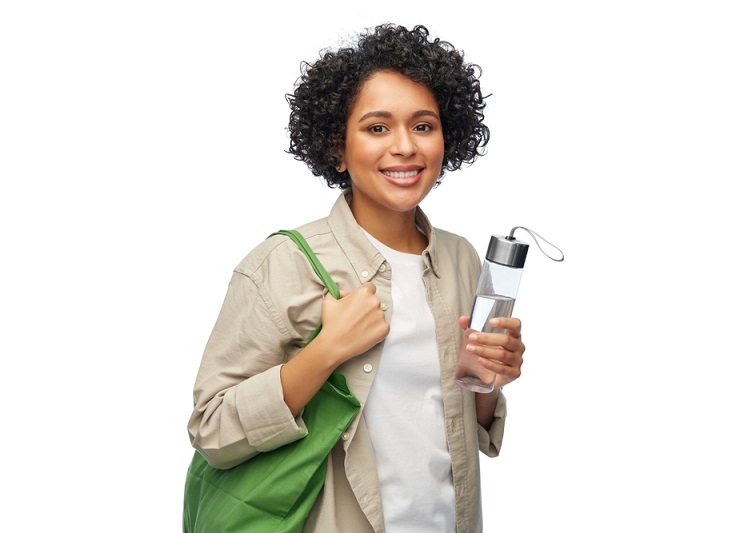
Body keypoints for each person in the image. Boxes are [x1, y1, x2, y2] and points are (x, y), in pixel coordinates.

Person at [187, 23, 525, 533]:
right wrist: (326, 351)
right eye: (377, 128)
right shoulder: (282, 264)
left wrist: (486, 377)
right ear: (337, 148)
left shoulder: (461, 259)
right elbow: (212, 430)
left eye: (423, 125)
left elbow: (458, 424)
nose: (405, 147)